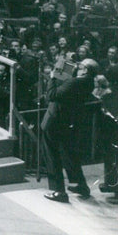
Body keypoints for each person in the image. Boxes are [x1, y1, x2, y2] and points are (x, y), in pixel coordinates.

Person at [40, 58, 99, 202]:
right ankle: (81, 185)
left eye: (80, 65)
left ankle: (58, 191)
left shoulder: (75, 82)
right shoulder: (88, 82)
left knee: (52, 155)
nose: (76, 66)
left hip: (55, 121)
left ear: (85, 70)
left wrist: (53, 77)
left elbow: (51, 95)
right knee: (69, 154)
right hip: (68, 122)